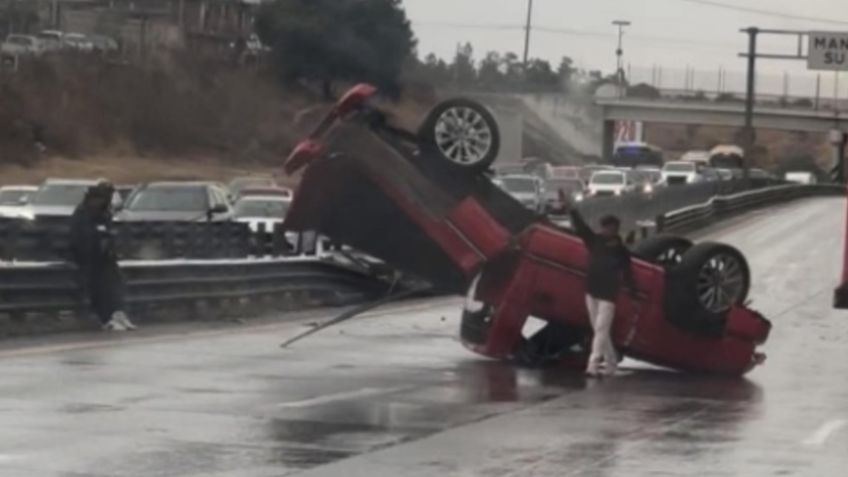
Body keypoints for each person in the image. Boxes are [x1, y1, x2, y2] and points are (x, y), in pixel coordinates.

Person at [565, 201, 636, 377]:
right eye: (604, 227)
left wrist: (632, 292)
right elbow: (581, 227)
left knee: (601, 329)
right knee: (599, 330)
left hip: (608, 295)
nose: (605, 230)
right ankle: (611, 363)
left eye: (609, 228)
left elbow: (627, 272)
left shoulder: (620, 250)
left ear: (615, 229)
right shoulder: (594, 240)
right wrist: (572, 210)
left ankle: (593, 365)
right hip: (591, 290)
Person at [69, 182, 137, 332]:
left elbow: (108, 231)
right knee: (100, 284)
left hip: (104, 256)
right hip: (87, 258)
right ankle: (106, 318)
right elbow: (81, 238)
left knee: (117, 280)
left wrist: (110, 246)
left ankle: (118, 313)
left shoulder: (103, 213)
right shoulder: (83, 213)